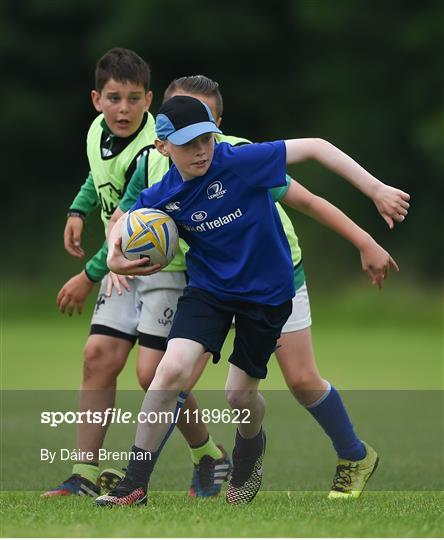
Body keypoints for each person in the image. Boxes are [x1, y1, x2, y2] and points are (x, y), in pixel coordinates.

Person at [107, 75, 410, 499]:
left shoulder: (240, 161)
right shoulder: (163, 195)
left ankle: (250, 450)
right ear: (163, 146)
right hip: (209, 291)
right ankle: (133, 484)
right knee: (170, 372)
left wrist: (375, 191)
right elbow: (121, 225)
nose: (201, 151)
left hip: (267, 294)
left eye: (206, 140)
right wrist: (114, 257)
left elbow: (318, 147)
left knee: (238, 395)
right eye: (189, 143)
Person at [42, 47, 161, 497]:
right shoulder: (98, 130)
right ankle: (84, 475)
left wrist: (86, 276)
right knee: (98, 358)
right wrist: (79, 209)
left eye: (133, 99)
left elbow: (132, 218)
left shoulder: (155, 148)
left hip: (161, 267)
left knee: (156, 376)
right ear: (97, 99)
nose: (123, 108)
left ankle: (206, 454)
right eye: (114, 98)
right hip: (119, 266)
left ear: (149, 100)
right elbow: (98, 175)